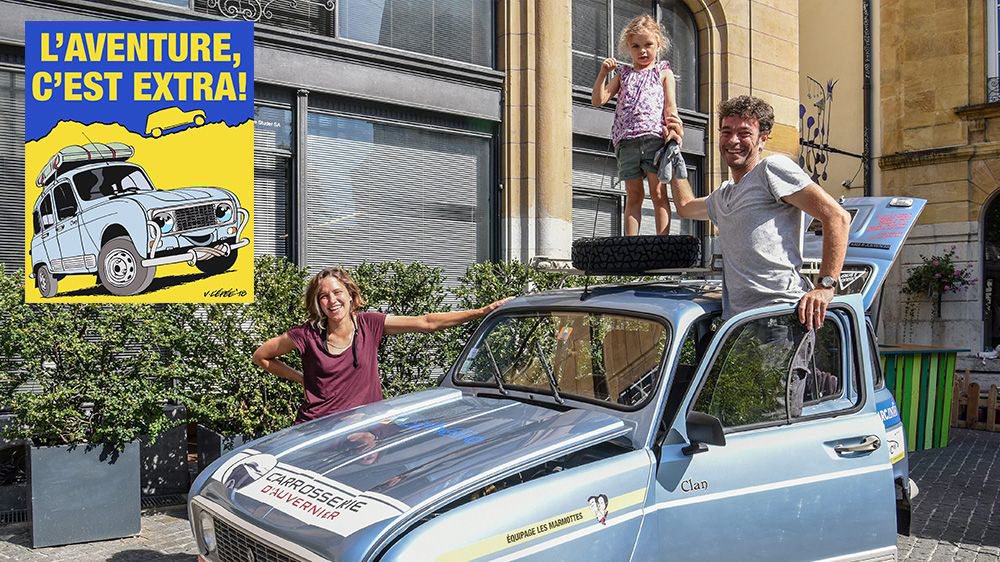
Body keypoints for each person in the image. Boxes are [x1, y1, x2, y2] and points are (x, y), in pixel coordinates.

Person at [667, 95, 851, 330]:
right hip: (739, 324)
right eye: (726, 132)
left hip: (780, 320)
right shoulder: (723, 195)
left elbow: (837, 217)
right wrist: (674, 151)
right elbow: (685, 206)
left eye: (744, 133)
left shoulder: (771, 170)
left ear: (763, 139)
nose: (733, 140)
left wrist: (825, 287)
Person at [252, 267, 510, 424]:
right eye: (324, 296)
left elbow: (426, 322)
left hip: (363, 429)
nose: (332, 300)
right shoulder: (306, 335)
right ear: (318, 303)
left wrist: (480, 312)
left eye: (337, 293)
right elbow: (261, 356)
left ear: (351, 296)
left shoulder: (370, 325)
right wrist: (303, 379)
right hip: (317, 428)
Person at [591, 14, 683, 236]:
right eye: (636, 46)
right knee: (634, 195)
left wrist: (674, 130)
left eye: (648, 45)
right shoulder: (623, 74)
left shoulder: (663, 72)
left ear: (658, 44)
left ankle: (663, 242)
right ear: (629, 48)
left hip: (654, 139)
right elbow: (598, 100)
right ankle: (631, 244)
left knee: (658, 192)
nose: (643, 51)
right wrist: (603, 73)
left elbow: (670, 106)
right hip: (627, 141)